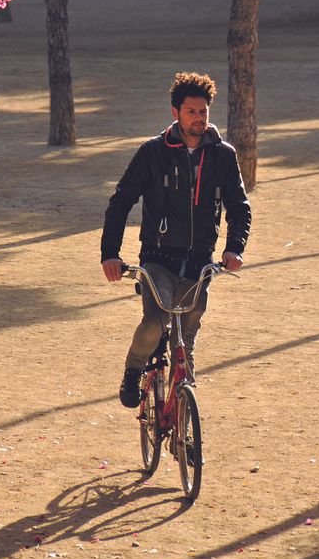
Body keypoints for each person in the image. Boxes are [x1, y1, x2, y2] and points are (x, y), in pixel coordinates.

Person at [101, 72, 251, 408]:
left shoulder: (223, 155)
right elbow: (121, 201)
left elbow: (239, 207)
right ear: (175, 113)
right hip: (158, 259)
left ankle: (185, 412)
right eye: (191, 112)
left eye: (203, 112)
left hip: (200, 262)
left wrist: (234, 247)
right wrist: (110, 254)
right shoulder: (153, 153)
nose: (198, 119)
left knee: (187, 338)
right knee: (156, 322)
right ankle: (133, 369)